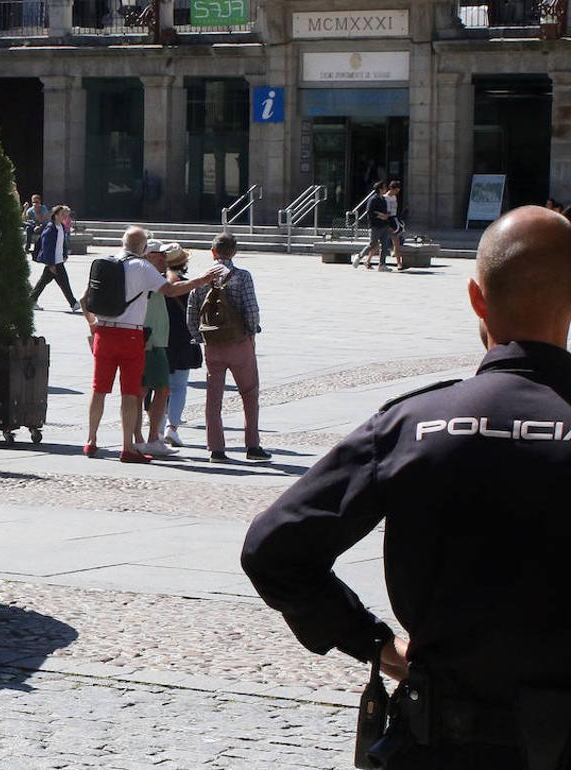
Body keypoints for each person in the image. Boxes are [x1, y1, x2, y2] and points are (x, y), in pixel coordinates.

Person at [241, 205, 571, 769]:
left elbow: (273, 548)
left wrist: (372, 641)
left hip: (441, 741)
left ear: (476, 298)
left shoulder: (410, 425)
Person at [82, 227, 222, 463]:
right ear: (143, 247)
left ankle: (91, 440)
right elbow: (171, 290)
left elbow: (86, 297)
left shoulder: (105, 262)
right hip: (131, 336)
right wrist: (202, 280)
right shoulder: (142, 267)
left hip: (104, 334)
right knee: (130, 392)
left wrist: (92, 323)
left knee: (99, 390)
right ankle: (128, 447)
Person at [186, 232, 271, 463]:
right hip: (239, 341)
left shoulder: (202, 278)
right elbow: (251, 309)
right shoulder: (242, 276)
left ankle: (216, 449)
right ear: (234, 252)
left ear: (212, 252)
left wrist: (200, 337)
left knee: (213, 398)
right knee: (249, 393)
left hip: (214, 344)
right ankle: (253, 446)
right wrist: (252, 333)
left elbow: (192, 311)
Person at [133, 240, 179, 458]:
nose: (164, 259)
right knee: (159, 389)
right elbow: (173, 288)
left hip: (153, 338)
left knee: (143, 391)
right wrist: (202, 280)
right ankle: (149, 439)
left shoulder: (147, 274)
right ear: (149, 256)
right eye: (160, 256)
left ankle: (142, 439)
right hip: (150, 340)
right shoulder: (148, 276)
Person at [158, 243, 202, 449]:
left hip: (159, 338)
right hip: (182, 339)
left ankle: (156, 430)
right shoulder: (189, 286)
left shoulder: (156, 283)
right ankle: (172, 429)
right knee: (178, 387)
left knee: (158, 387)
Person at [31, 205, 81, 313]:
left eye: (65, 214)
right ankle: (73, 303)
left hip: (58, 260)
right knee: (62, 282)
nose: (64, 216)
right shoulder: (50, 228)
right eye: (62, 214)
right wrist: (50, 264)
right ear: (56, 215)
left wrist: (64, 253)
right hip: (54, 262)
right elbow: (46, 247)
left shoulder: (61, 227)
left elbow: (62, 242)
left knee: (48, 282)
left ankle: (31, 300)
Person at [352, 182, 391, 271]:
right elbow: (370, 211)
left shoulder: (383, 199)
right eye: (384, 187)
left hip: (384, 225)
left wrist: (386, 216)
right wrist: (380, 215)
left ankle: (382, 265)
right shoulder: (373, 199)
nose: (386, 189)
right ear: (380, 189)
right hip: (375, 225)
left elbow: (384, 211)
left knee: (385, 245)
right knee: (372, 244)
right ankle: (359, 256)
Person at [385, 180, 406, 271]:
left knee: (396, 242)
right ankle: (369, 260)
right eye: (396, 190)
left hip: (394, 219)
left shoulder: (394, 197)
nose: (397, 193)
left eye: (398, 191)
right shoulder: (385, 198)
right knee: (377, 244)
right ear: (391, 188)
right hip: (388, 220)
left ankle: (399, 263)